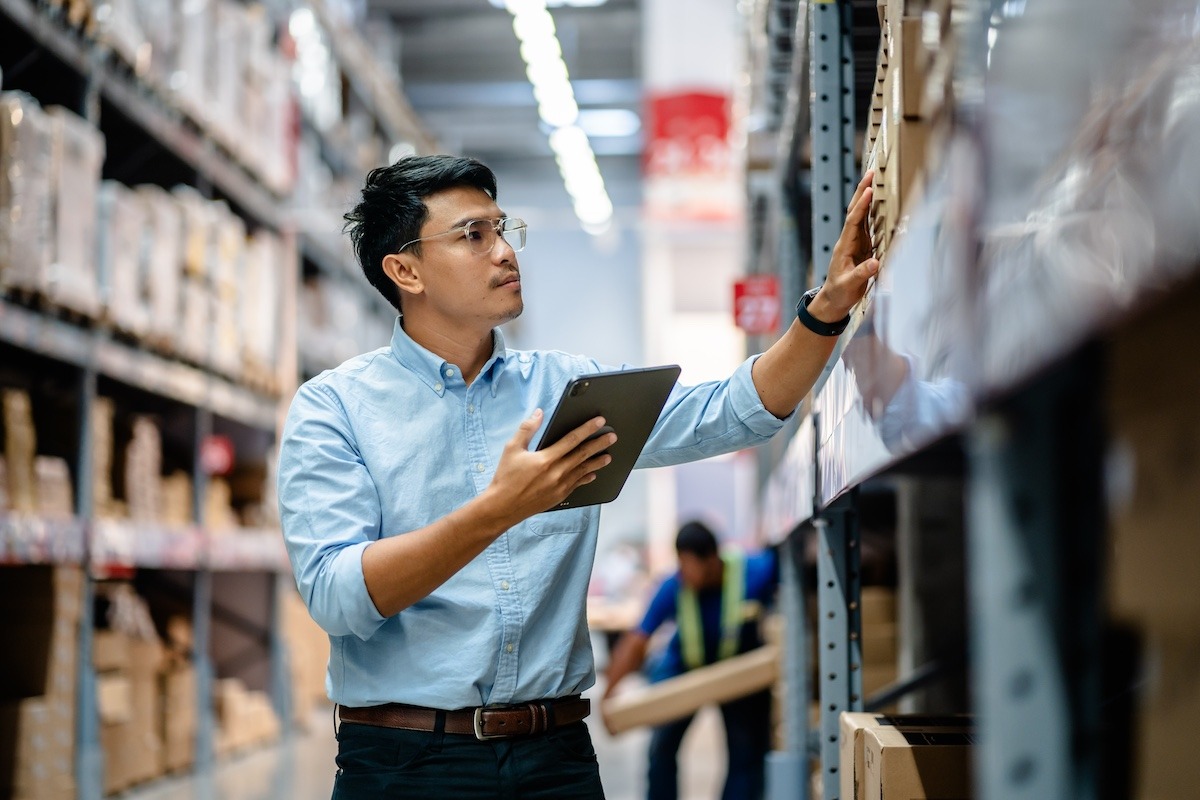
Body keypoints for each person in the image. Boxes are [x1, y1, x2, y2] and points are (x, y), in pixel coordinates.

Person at [277, 154, 878, 799]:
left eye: (504, 230)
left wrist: (826, 312)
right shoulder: (334, 408)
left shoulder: (568, 389)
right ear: (405, 270)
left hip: (555, 761)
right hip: (403, 766)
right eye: (473, 235)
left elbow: (731, 413)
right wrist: (498, 508)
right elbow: (338, 598)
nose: (505, 252)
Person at [601, 521, 779, 800]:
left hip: (738, 670)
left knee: (746, 752)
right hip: (685, 667)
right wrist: (609, 696)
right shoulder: (673, 585)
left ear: (712, 558)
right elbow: (637, 641)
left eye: (689, 563)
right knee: (661, 748)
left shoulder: (755, 572)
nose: (684, 572)